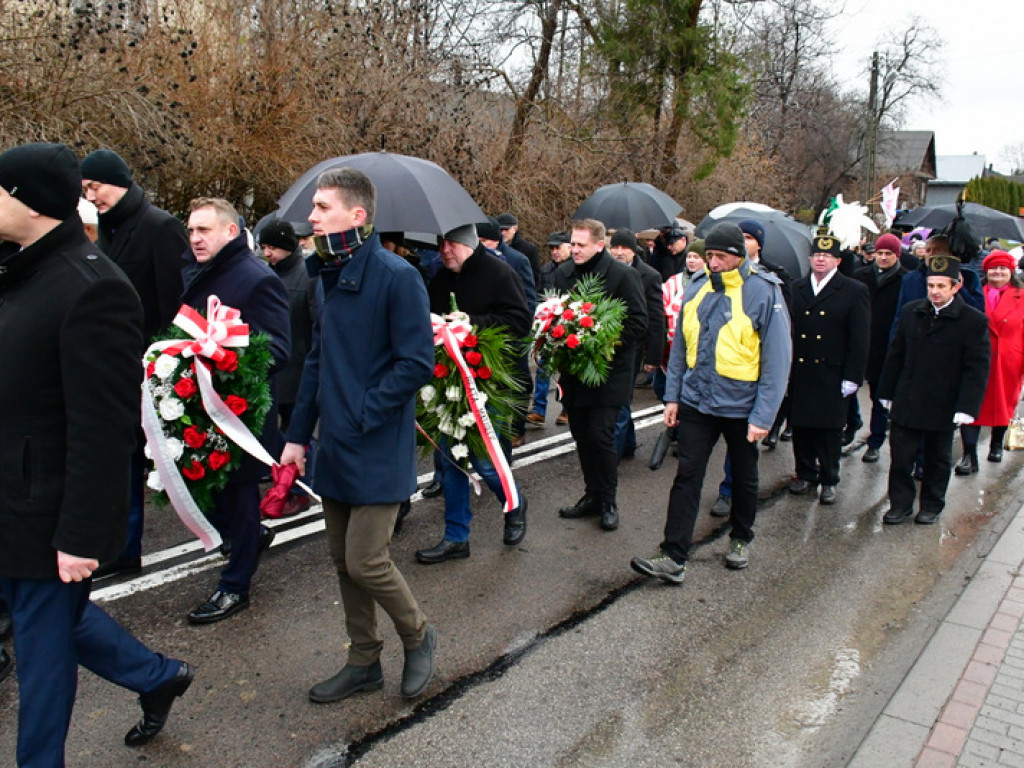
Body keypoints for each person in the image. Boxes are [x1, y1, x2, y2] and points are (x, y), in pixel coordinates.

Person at [0, 142, 194, 766]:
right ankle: (155, 675)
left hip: (47, 510)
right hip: (10, 492)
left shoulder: (93, 288)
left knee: (42, 657)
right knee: (47, 619)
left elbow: (104, 428)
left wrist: (82, 535)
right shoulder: (17, 268)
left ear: (26, 202)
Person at [280, 168, 436, 701]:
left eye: (323, 207)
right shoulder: (324, 272)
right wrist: (297, 437)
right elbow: (318, 361)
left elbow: (417, 362)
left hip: (376, 442)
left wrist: (363, 411)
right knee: (342, 560)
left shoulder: (396, 275)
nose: (314, 217)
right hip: (336, 446)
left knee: (367, 559)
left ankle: (418, 635)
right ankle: (364, 660)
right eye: (315, 208)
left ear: (358, 215)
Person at [631, 222, 791, 583]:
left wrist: (763, 415)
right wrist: (672, 396)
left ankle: (740, 538)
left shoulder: (764, 292)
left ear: (739, 256)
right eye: (709, 256)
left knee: (745, 475)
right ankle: (672, 555)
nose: (712, 263)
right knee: (687, 475)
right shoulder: (698, 287)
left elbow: (777, 361)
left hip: (742, 407)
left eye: (720, 257)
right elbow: (681, 349)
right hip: (698, 403)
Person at [80, 148, 190, 579]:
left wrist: (164, 365)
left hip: (148, 366)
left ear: (119, 180)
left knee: (159, 462)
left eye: (96, 186)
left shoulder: (159, 227)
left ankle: (236, 531)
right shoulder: (100, 231)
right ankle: (121, 548)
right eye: (85, 189)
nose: (91, 195)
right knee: (121, 461)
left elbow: (174, 303)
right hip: (110, 367)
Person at [181, 198, 290, 623]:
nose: (195, 238)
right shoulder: (196, 271)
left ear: (230, 232)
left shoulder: (256, 278)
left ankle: (235, 586)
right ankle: (247, 539)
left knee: (239, 497)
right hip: (200, 407)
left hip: (239, 413)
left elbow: (279, 349)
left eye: (204, 230)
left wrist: (222, 356)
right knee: (200, 492)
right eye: (191, 230)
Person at [415, 224, 531, 563]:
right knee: (450, 459)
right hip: (447, 378)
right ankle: (456, 537)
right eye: (440, 245)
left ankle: (514, 503)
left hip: (486, 377)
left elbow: (520, 322)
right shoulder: (441, 278)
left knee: (484, 458)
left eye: (450, 244)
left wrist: (472, 323)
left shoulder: (499, 272)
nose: (444, 251)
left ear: (468, 243)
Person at [879, 255, 990, 525]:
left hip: (944, 401)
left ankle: (931, 503)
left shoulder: (972, 321)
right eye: (931, 286)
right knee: (901, 458)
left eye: (941, 286)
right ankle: (900, 504)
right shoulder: (911, 311)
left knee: (937, 459)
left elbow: (976, 368)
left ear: (956, 286)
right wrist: (887, 391)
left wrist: (967, 407)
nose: (935, 292)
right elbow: (896, 354)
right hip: (909, 396)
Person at [555, 219, 648, 531]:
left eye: (581, 245)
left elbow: (637, 322)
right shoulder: (563, 273)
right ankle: (592, 494)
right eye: (573, 244)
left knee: (601, 435)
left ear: (599, 245)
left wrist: (597, 338)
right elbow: (554, 314)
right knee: (581, 435)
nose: (575, 250)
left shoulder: (623, 275)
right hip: (574, 372)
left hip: (609, 372)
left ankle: (608, 500)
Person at [786, 234, 870, 504]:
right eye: (817, 255)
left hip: (833, 372)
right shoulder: (796, 288)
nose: (821, 260)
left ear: (838, 260)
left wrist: (853, 376)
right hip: (800, 370)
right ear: (809, 259)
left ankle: (830, 478)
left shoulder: (853, 290)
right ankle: (806, 473)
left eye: (827, 256)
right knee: (800, 427)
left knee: (829, 430)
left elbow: (860, 338)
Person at [259, 217, 321, 516]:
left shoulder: (307, 277)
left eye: (272, 247)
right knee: (279, 432)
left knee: (300, 432)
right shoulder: (265, 276)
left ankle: (304, 488)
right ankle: (291, 484)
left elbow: (316, 325)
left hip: (298, 369)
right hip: (275, 370)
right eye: (264, 247)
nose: (267, 253)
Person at [954, 250, 1024, 473]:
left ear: (1011, 271)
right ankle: (969, 455)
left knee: (1003, 403)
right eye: (994, 268)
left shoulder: (1021, 295)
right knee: (970, 403)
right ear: (986, 270)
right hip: (976, 358)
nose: (998, 272)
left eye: (1003, 268)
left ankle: (996, 444)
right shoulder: (975, 292)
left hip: (1008, 359)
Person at [608, 228, 665, 460]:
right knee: (620, 400)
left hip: (633, 348)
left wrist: (653, 356)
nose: (619, 252)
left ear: (634, 250)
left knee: (621, 401)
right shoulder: (606, 272)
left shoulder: (649, 276)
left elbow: (656, 317)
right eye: (616, 247)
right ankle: (628, 444)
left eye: (625, 248)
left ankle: (612, 456)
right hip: (609, 345)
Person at [855, 233, 907, 463]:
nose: (883, 258)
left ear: (897, 255)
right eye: (880, 253)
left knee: (879, 396)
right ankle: (852, 423)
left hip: (884, 345)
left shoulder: (904, 280)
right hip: (861, 341)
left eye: (888, 254)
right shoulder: (861, 276)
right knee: (848, 389)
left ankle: (875, 441)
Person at [528, 230, 572, 427]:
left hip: (569, 325)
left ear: (569, 247)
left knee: (568, 368)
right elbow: (537, 291)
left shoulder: (576, 268)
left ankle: (566, 408)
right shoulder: (546, 269)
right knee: (543, 366)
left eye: (558, 247)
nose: (554, 252)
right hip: (548, 325)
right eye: (552, 248)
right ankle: (539, 409)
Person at [498, 211, 540, 290]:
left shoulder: (529, 250)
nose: (503, 233)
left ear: (515, 229)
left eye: (506, 229)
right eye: (500, 230)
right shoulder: (493, 248)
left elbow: (535, 278)